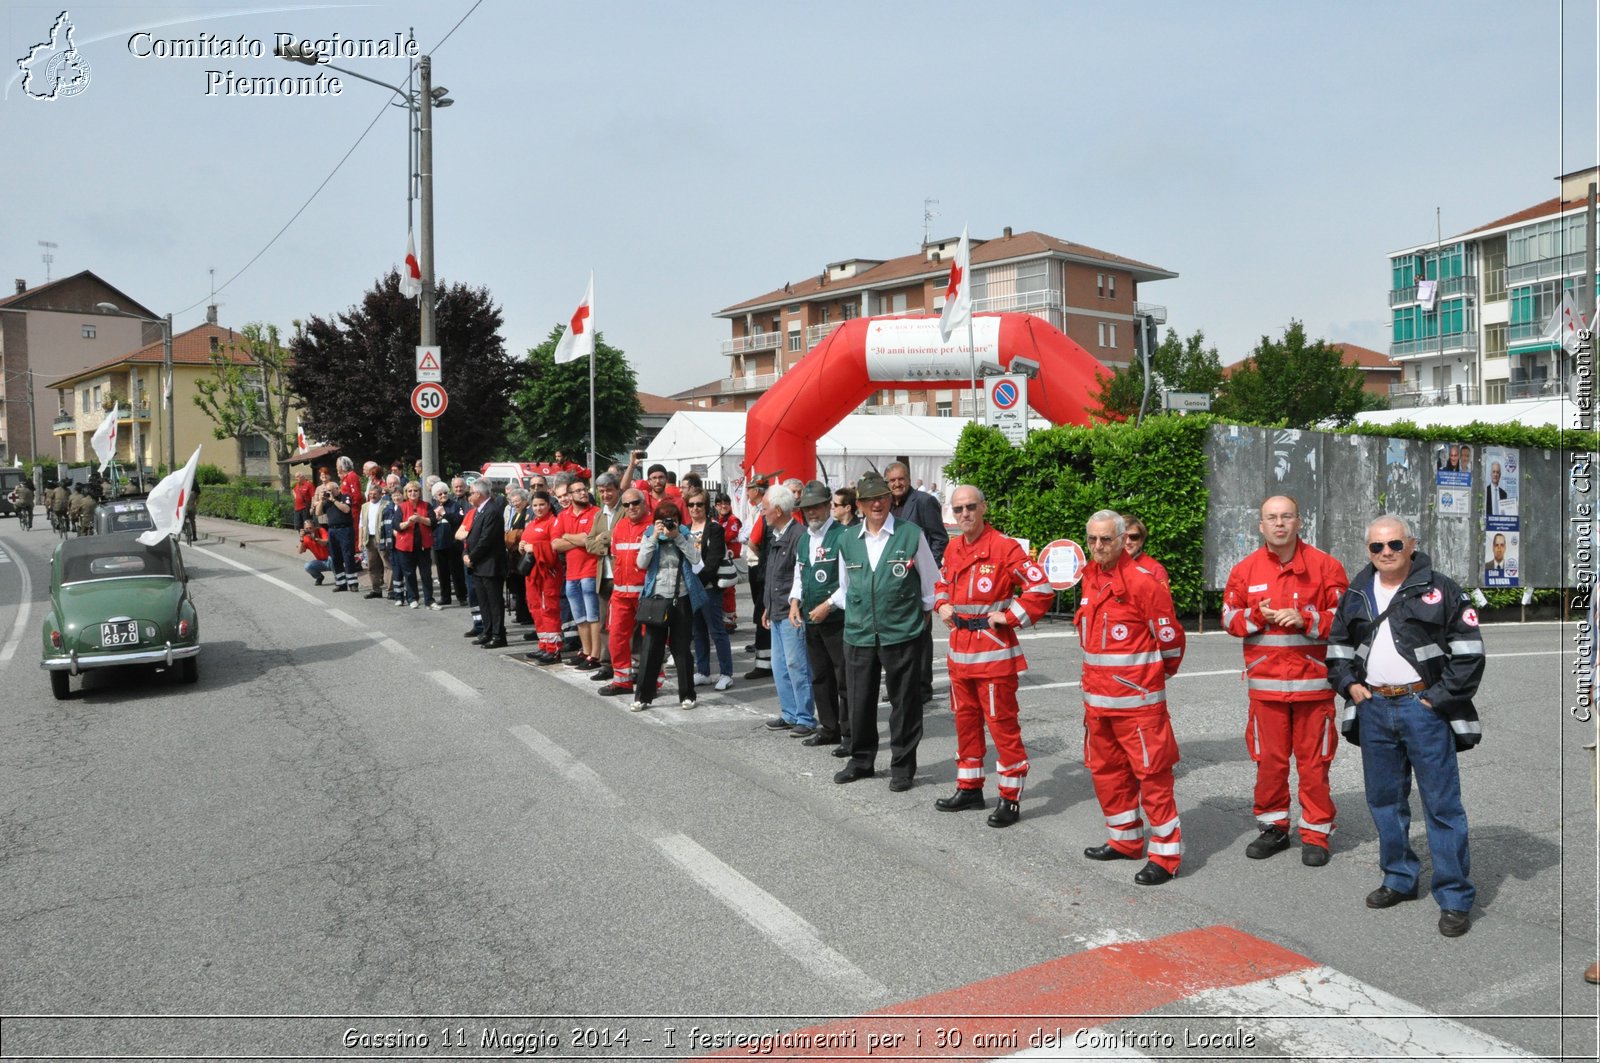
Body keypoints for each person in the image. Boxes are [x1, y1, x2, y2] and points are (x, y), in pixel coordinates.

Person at [1326, 514, 1485, 938]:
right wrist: (1349, 686)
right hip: (1375, 707)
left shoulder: (1441, 589)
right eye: (1376, 547)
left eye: (1394, 545)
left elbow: (1469, 652)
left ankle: (1453, 897)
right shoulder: (1357, 592)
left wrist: (1437, 698)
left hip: (1424, 708)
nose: (1386, 554)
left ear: (1411, 544)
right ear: (1368, 550)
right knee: (1384, 801)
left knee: (1441, 805)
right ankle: (1398, 878)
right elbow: (1337, 646)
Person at [1221, 495, 1349, 865]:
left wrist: (1308, 620)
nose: (1279, 523)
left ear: (1299, 522)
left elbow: (1346, 622)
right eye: (1272, 518)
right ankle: (1273, 828)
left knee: (1314, 765)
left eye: (1287, 516)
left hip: (1314, 688)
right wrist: (1256, 616)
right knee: (1270, 763)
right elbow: (1229, 621)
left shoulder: (1326, 567)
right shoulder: (1244, 570)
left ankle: (1316, 834)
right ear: (1261, 526)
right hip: (1266, 689)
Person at [932, 485, 1055, 827]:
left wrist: (1011, 616)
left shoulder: (1004, 547)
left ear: (984, 508)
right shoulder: (954, 547)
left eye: (971, 507)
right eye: (958, 509)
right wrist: (942, 604)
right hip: (960, 655)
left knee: (1002, 728)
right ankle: (969, 788)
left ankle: (1009, 797)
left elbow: (1040, 588)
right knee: (965, 724)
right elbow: (941, 583)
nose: (965, 514)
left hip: (994, 655)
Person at [1077, 510, 1187, 885]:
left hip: (1138, 706)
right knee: (1107, 773)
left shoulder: (1143, 583)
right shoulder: (1089, 577)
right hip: (1098, 702)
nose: (1098, 546)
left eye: (1106, 539)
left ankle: (1166, 855)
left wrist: (1152, 678)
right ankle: (1124, 840)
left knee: (1153, 778)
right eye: (1092, 539)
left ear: (1123, 539)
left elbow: (1171, 642)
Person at [831, 471, 938, 792]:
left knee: (905, 703)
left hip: (902, 633)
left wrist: (923, 621)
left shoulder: (911, 534)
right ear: (859, 504)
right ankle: (861, 760)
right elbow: (845, 588)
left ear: (891, 500)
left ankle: (903, 766)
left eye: (882, 497)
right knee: (860, 701)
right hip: (859, 634)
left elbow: (931, 586)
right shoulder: (846, 540)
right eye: (869, 499)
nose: (876, 503)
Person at [789, 481, 851, 754]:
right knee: (820, 676)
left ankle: (850, 735)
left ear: (828, 506)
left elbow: (849, 582)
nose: (811, 512)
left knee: (844, 679)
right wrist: (794, 602)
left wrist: (829, 604)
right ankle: (829, 728)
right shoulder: (804, 539)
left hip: (837, 619)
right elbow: (799, 575)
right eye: (807, 508)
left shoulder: (844, 536)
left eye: (816, 507)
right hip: (812, 618)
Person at [632, 499, 703, 712]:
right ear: (656, 521)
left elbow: (696, 559)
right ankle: (643, 696)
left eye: (673, 520)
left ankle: (687, 695)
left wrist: (678, 538)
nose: (669, 524)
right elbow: (641, 563)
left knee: (681, 649)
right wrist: (654, 536)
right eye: (663, 521)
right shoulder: (649, 534)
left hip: (681, 597)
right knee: (651, 648)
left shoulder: (684, 534)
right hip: (657, 598)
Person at [887, 461, 947, 708]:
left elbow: (939, 538)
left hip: (918, 580)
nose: (897, 484)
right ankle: (900, 686)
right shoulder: (887, 505)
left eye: (900, 479)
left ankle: (922, 687)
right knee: (897, 636)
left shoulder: (923, 501)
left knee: (921, 634)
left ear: (909, 479)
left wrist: (926, 569)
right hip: (894, 582)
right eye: (892, 481)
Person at [760, 483, 817, 736]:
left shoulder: (799, 536)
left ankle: (805, 717)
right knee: (780, 665)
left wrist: (795, 605)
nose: (763, 513)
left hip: (792, 612)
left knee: (797, 665)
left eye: (765, 508)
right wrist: (767, 607)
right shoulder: (777, 535)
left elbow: (801, 576)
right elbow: (773, 575)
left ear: (779, 510)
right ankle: (789, 713)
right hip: (776, 610)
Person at [595, 488, 652, 696]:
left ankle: (650, 681)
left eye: (635, 503)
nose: (631, 508)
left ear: (644, 503)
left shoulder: (653, 527)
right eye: (626, 505)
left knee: (650, 640)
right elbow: (615, 557)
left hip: (646, 595)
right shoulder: (619, 527)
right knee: (616, 637)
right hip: (620, 595)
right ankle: (622, 681)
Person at [684, 490, 735, 691]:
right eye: (691, 505)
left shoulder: (714, 528)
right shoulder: (685, 529)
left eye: (699, 504)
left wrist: (697, 583)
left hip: (709, 587)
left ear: (706, 506)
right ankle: (703, 671)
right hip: (690, 588)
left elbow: (713, 561)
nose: (695, 508)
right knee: (697, 631)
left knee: (717, 631)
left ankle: (726, 673)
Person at [554, 478, 603, 669]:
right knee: (580, 617)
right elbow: (556, 544)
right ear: (571, 495)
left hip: (590, 571)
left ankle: (595, 655)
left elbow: (590, 540)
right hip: (572, 574)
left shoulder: (595, 513)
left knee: (593, 616)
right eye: (578, 491)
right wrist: (578, 539)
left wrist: (568, 537)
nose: (583, 493)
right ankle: (586, 650)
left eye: (584, 489)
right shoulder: (563, 515)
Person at [584, 473, 625, 682]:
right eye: (601, 492)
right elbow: (589, 543)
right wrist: (603, 543)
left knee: (624, 624)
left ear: (617, 489)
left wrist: (605, 538)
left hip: (622, 577)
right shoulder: (599, 515)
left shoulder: (625, 510)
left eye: (609, 490)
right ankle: (606, 664)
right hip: (603, 577)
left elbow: (620, 535)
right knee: (603, 624)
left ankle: (626, 665)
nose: (605, 495)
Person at [517, 490, 564, 663]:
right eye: (535, 505)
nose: (538, 508)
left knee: (548, 609)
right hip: (532, 574)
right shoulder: (531, 523)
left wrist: (534, 548)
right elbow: (529, 542)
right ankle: (544, 644)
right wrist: (522, 546)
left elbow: (554, 548)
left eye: (542, 505)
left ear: (549, 505)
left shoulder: (553, 523)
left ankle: (554, 649)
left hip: (547, 574)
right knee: (536, 608)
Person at [463, 479, 508, 647]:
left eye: (471, 493)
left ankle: (498, 635)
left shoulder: (492, 511)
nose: (469, 496)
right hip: (479, 565)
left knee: (494, 602)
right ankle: (487, 631)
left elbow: (486, 540)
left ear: (479, 494)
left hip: (490, 564)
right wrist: (466, 554)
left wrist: (471, 557)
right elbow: (470, 536)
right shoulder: (479, 511)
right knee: (483, 600)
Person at [740, 474, 774, 679]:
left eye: (750, 488)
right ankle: (765, 658)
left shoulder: (764, 510)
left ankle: (764, 663)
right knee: (761, 613)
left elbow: (752, 540)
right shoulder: (756, 509)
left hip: (761, 568)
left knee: (763, 613)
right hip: (757, 566)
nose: (747, 492)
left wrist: (764, 560)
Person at [393, 481, 439, 609]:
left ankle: (429, 600)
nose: (413, 493)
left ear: (419, 492)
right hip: (406, 546)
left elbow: (433, 522)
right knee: (409, 573)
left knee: (426, 574)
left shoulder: (426, 506)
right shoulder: (402, 507)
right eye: (410, 491)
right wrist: (408, 522)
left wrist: (420, 519)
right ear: (406, 493)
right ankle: (412, 598)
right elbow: (396, 525)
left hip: (423, 546)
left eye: (415, 491)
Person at [315, 473, 358, 592]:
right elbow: (318, 513)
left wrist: (333, 500)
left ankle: (353, 583)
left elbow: (346, 509)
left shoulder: (345, 497)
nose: (328, 492)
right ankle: (341, 583)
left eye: (330, 490)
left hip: (345, 529)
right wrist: (321, 501)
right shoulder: (327, 501)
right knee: (335, 557)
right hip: (332, 530)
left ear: (337, 489)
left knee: (348, 556)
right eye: (327, 490)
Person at [431, 481, 466, 607]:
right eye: (440, 494)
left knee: (457, 572)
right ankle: (445, 597)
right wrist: (436, 517)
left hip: (453, 543)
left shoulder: (455, 505)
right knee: (442, 572)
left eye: (445, 493)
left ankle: (462, 596)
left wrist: (445, 514)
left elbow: (458, 520)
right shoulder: (432, 506)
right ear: (435, 496)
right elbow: (429, 523)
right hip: (438, 543)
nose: (443, 495)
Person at [503, 488, 534, 627]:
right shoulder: (516, 513)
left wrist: (512, 535)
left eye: (518, 501)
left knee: (523, 587)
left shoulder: (527, 513)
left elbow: (521, 532)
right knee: (517, 586)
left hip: (521, 553)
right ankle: (520, 614)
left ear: (525, 501)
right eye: (512, 501)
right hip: (513, 555)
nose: (515, 504)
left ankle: (525, 615)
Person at [358, 482, 392, 600]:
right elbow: (361, 524)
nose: (372, 496)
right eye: (370, 494)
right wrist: (360, 540)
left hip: (381, 538)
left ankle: (391, 590)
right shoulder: (365, 506)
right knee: (372, 566)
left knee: (387, 565)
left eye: (375, 494)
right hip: (369, 538)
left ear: (380, 494)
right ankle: (376, 589)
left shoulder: (386, 504)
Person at [714, 492, 742, 632]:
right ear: (716, 506)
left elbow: (729, 535)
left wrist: (713, 540)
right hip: (720, 559)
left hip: (731, 560)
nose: (723, 506)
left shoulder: (733, 520)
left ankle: (730, 618)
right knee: (722, 589)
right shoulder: (716, 520)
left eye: (726, 503)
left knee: (729, 589)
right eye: (720, 504)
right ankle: (723, 617)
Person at [1122, 516, 1169, 587]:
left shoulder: (1154, 569)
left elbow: (1163, 597)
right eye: (1123, 537)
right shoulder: (1106, 564)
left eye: (1134, 537)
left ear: (1141, 541)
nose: (1128, 542)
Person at [297, 520, 330, 585]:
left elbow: (326, 542)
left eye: (310, 528)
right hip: (321, 562)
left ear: (315, 527)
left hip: (331, 559)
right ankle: (319, 577)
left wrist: (316, 539)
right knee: (308, 566)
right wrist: (301, 538)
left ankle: (340, 579)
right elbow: (300, 551)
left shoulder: (321, 530)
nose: (309, 530)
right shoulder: (306, 538)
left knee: (335, 563)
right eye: (306, 529)